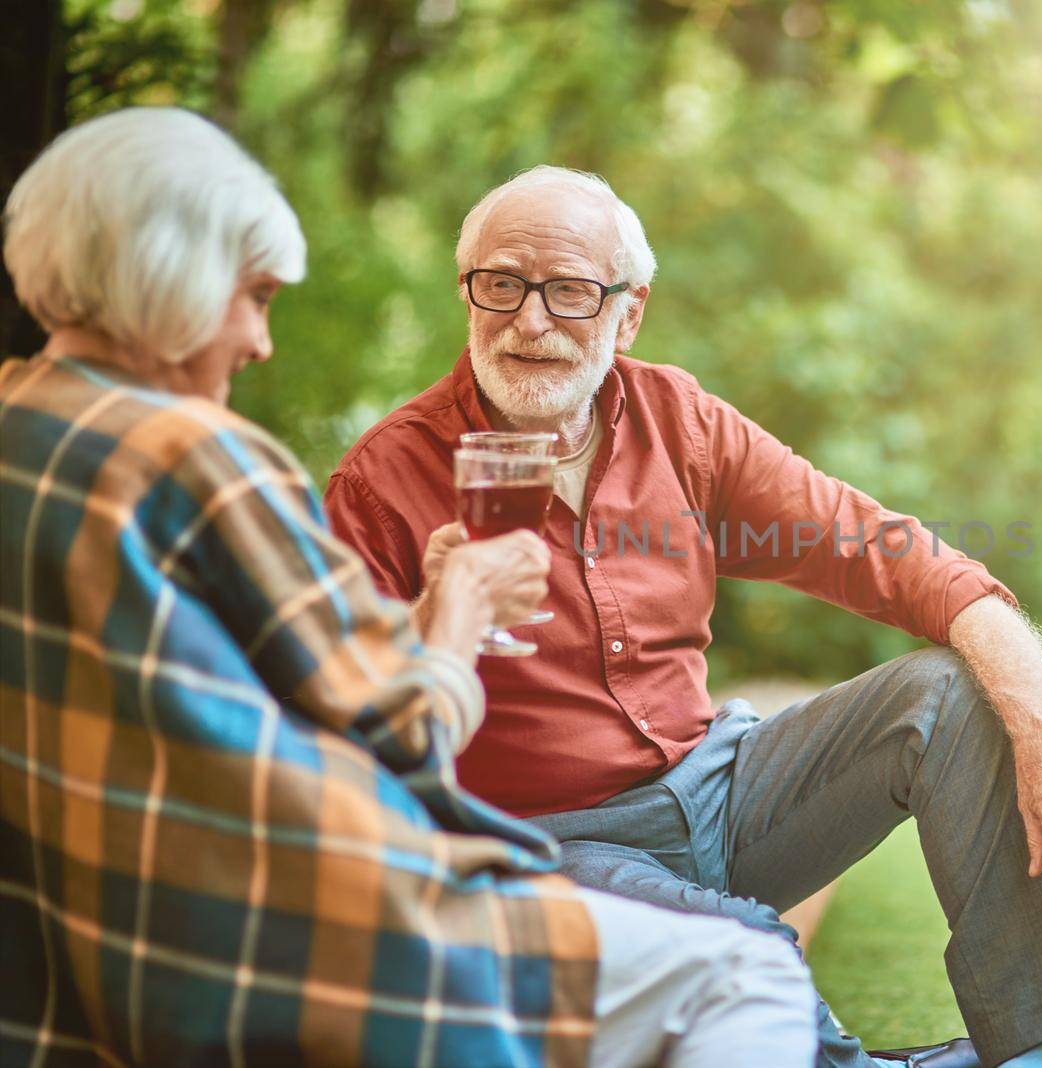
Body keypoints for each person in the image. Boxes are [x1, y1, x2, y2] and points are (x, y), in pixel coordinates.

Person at [0, 108, 818, 1068]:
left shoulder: (22, 428)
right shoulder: (199, 460)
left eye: (566, 292)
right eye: (254, 296)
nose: (262, 342)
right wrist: (464, 609)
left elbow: (292, 701)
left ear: (624, 312)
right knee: (749, 972)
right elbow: (393, 738)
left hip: (90, 947)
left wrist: (431, 617)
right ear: (166, 278)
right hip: (297, 926)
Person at [324, 166, 1042, 1068]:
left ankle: (1027, 1055)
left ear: (627, 315)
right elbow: (347, 739)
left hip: (719, 789)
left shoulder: (682, 425)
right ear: (468, 293)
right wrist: (442, 620)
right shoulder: (382, 482)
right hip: (544, 845)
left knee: (948, 692)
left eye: (571, 293)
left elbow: (900, 558)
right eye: (501, 284)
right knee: (743, 948)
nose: (529, 321)